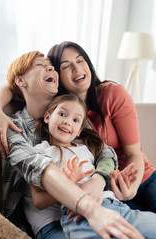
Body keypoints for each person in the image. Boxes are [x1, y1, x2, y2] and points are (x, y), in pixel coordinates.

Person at [0, 51, 146, 239]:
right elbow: (38, 167)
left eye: (50, 65)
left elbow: (105, 153)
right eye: (40, 66)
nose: (50, 68)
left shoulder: (68, 113)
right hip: (50, 222)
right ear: (20, 81)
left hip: (95, 206)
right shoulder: (11, 126)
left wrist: (98, 180)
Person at [28, 93, 156, 239]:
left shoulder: (87, 149)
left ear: (80, 130)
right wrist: (69, 183)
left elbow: (102, 176)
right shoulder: (38, 152)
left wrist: (116, 180)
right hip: (79, 216)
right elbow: (38, 200)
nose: (68, 122)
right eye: (62, 114)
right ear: (47, 117)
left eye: (75, 120)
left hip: (116, 207)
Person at [47, 41, 156, 212]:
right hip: (107, 191)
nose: (77, 69)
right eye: (66, 66)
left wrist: (131, 189)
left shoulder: (113, 94)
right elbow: (15, 86)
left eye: (80, 60)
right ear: (57, 77)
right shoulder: (59, 115)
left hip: (143, 180)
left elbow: (134, 153)